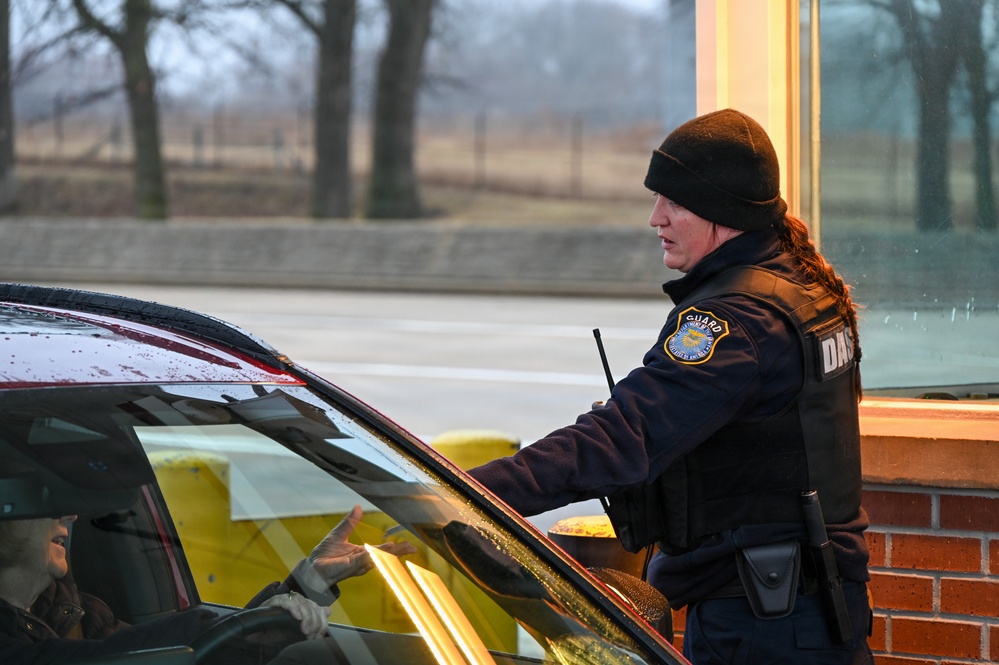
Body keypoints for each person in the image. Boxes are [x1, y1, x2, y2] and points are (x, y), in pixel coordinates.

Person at [469, 109, 872, 664]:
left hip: (761, 621)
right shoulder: (800, 289)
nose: (655, 218)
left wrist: (463, 494)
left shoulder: (737, 324)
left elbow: (619, 435)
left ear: (722, 212)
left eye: (674, 203)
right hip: (805, 609)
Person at [0, 504, 414, 664]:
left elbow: (186, 661)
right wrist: (213, 626)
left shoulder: (85, 610)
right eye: (44, 501)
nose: (70, 517)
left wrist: (307, 582)